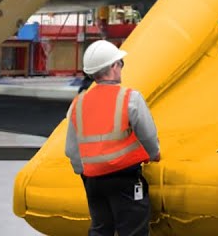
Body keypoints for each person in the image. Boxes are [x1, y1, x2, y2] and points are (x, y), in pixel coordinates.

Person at [65, 40, 161, 236]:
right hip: (125, 178)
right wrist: (154, 154)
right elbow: (148, 135)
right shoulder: (130, 98)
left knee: (101, 229)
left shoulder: (78, 103)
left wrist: (85, 173)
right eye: (120, 63)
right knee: (133, 230)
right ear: (113, 66)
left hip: (93, 181)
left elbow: (71, 150)